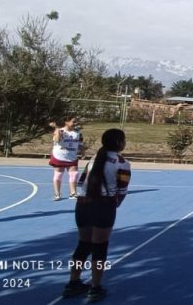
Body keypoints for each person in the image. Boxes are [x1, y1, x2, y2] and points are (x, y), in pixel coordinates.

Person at [62, 128, 131, 302]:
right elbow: (122, 191)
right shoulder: (122, 163)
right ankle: (95, 287)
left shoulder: (94, 159)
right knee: (100, 248)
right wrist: (113, 205)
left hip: (83, 204)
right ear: (119, 143)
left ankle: (73, 282)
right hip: (104, 205)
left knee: (83, 245)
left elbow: (81, 182)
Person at [50, 116, 85, 201]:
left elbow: (80, 143)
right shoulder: (60, 131)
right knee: (58, 175)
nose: (75, 123)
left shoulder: (77, 132)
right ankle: (57, 194)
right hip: (59, 156)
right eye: (73, 122)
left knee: (74, 174)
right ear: (66, 122)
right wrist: (57, 129)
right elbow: (57, 140)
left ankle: (73, 193)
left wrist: (82, 151)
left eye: (76, 122)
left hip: (72, 156)